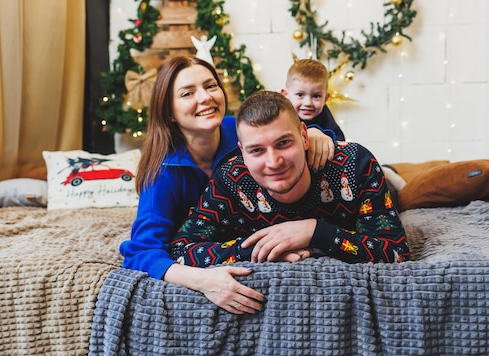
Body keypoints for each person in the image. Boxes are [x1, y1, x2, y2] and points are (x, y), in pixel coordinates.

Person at [119, 56, 336, 315]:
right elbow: (141, 252)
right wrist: (203, 281)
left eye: (211, 86)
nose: (205, 97)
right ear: (169, 111)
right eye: (188, 93)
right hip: (211, 241)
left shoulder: (241, 130)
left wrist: (316, 133)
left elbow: (288, 131)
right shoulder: (162, 174)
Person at [171, 90, 409, 306]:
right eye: (257, 150)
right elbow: (181, 249)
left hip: (374, 190)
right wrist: (263, 248)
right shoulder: (230, 179)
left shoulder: (355, 164)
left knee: (404, 193)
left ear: (305, 137)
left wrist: (315, 231)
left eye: (284, 143)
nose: (274, 162)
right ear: (242, 152)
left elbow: (395, 252)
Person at [281, 58, 345, 141]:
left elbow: (340, 143)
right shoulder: (281, 116)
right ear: (285, 95)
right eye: (300, 95)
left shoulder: (326, 118)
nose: (308, 103)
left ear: (325, 98)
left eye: (316, 96)